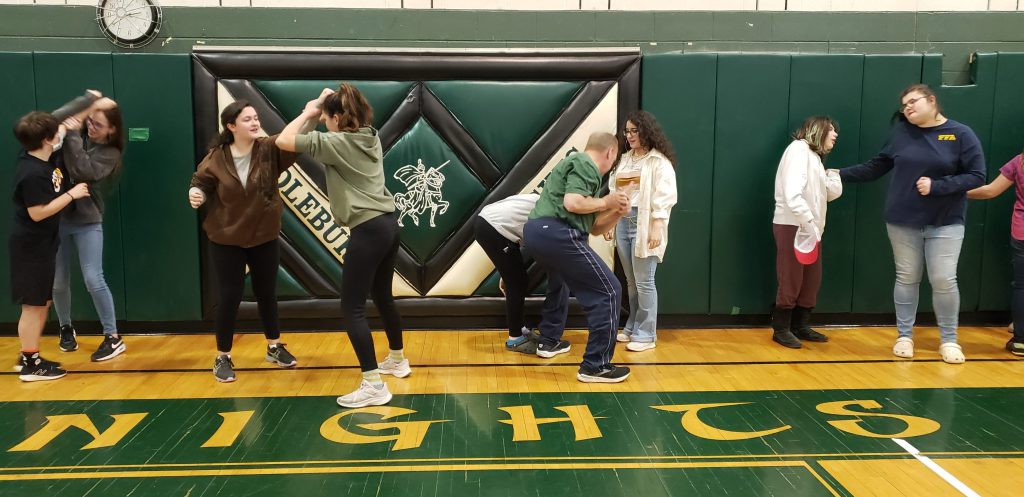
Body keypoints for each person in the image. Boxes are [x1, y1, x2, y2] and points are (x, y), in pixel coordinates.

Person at [277, 84, 407, 408]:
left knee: (352, 308)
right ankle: (397, 359)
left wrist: (309, 110)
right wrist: (327, 107)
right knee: (381, 296)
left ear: (336, 118)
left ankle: (373, 384)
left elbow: (283, 140)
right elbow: (316, 132)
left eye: (327, 118)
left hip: (368, 229)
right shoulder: (369, 135)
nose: (323, 122)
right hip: (389, 224)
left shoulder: (336, 144)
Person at [838, 84, 985, 364]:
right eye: (904, 105)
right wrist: (835, 174)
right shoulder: (901, 133)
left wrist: (938, 186)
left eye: (913, 102)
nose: (907, 108)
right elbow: (875, 166)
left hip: (946, 222)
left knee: (943, 279)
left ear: (932, 101)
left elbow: (977, 176)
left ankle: (949, 340)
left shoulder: (961, 134)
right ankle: (904, 336)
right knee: (907, 278)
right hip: (902, 220)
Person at [189, 100, 303, 382]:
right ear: (231, 126)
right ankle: (223, 357)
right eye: (247, 119)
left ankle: (274, 347)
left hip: (264, 236)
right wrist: (196, 193)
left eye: (256, 118)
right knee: (229, 296)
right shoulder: (216, 157)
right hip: (226, 238)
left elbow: (295, 139)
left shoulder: (268, 150)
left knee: (267, 294)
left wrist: (309, 112)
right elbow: (200, 181)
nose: (254, 123)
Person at [523, 132, 632, 383]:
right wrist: (607, 200)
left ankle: (549, 340)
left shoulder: (579, 172)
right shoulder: (586, 164)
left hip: (539, 234)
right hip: (556, 233)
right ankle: (595, 366)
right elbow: (573, 203)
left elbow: (593, 228)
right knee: (610, 291)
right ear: (610, 153)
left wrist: (616, 212)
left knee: (559, 282)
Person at [10, 110, 90, 381]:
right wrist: (71, 194)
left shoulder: (41, 157)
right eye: (55, 133)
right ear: (46, 139)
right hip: (31, 247)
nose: (60, 135)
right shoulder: (32, 173)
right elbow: (38, 212)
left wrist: (76, 120)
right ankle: (31, 363)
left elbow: (57, 133)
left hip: (43, 243)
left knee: (42, 303)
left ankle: (28, 356)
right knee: (33, 306)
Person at [52, 94, 126, 361]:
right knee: (59, 281)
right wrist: (89, 103)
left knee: (93, 278)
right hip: (57, 218)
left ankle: (113, 337)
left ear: (112, 130)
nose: (91, 127)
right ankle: (65, 327)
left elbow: (82, 169)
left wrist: (71, 133)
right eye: (90, 122)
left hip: (87, 220)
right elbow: (53, 118)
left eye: (98, 124)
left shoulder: (110, 153)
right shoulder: (77, 131)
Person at [607, 111, 678, 351]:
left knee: (645, 280)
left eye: (634, 131)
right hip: (623, 220)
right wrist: (609, 220)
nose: (629, 136)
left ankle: (647, 333)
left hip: (644, 221)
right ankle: (632, 326)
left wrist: (657, 226)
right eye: (627, 131)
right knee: (630, 281)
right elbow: (613, 191)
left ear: (646, 131)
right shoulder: (625, 159)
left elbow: (665, 196)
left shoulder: (658, 162)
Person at [770, 116, 842, 348]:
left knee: (811, 279)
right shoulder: (798, 150)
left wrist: (833, 177)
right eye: (831, 130)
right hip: (794, 224)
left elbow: (826, 195)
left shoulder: (815, 158)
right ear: (818, 130)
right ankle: (781, 329)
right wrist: (807, 220)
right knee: (791, 277)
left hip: (811, 228)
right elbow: (792, 193)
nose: (835, 135)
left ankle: (800, 325)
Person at [967, 150, 1024, 356]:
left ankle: (1021, 341)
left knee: (1022, 286)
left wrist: (957, 192)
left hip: (1022, 232)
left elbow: (990, 191)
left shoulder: (1020, 161)